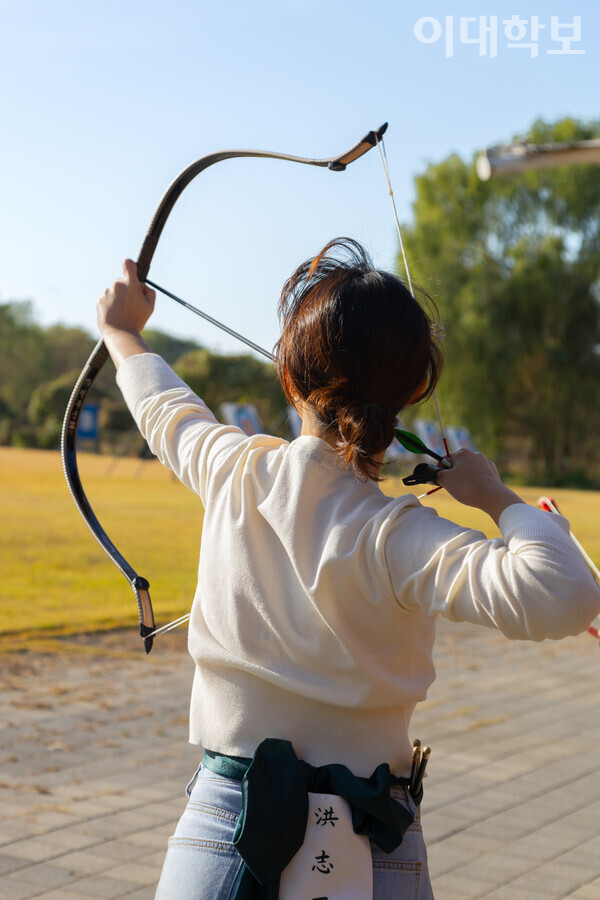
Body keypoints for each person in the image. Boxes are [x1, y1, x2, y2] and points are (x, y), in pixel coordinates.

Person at [98, 239, 600, 900]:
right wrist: (493, 496)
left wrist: (118, 328)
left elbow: (164, 406)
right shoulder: (400, 534)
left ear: (292, 375)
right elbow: (567, 594)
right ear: (412, 388)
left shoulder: (233, 468)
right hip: (373, 832)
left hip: (231, 817)